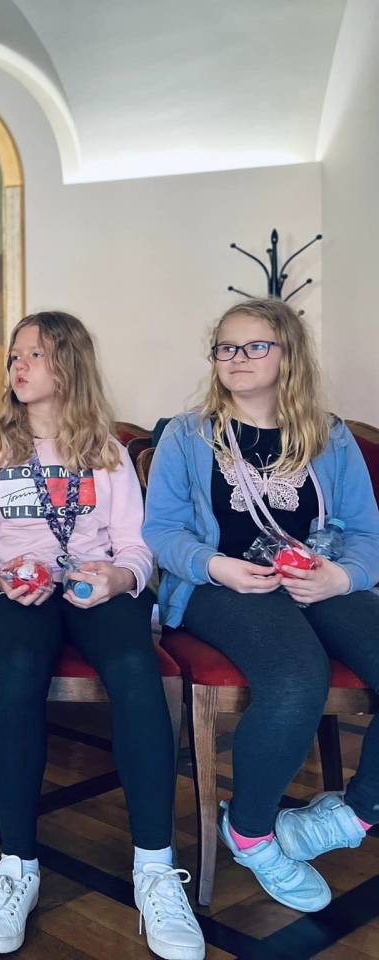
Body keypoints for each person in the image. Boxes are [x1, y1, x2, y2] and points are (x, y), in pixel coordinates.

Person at [0, 311, 203, 958]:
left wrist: (121, 577)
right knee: (20, 672)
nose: (18, 365)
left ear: (69, 365)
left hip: (98, 586)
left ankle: (155, 868)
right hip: (19, 591)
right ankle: (17, 866)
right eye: (15, 355)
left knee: (135, 668)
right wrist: (0, 577)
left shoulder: (106, 451)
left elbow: (137, 548)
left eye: (34, 354)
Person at [144, 298, 379, 913]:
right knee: (298, 676)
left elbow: (367, 534)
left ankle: (354, 816)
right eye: (226, 347)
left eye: (255, 346)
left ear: (288, 355)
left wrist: (340, 578)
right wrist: (215, 565)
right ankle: (249, 830)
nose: (237, 357)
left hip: (317, 581)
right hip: (221, 587)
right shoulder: (187, 435)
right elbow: (162, 530)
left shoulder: (329, 436)